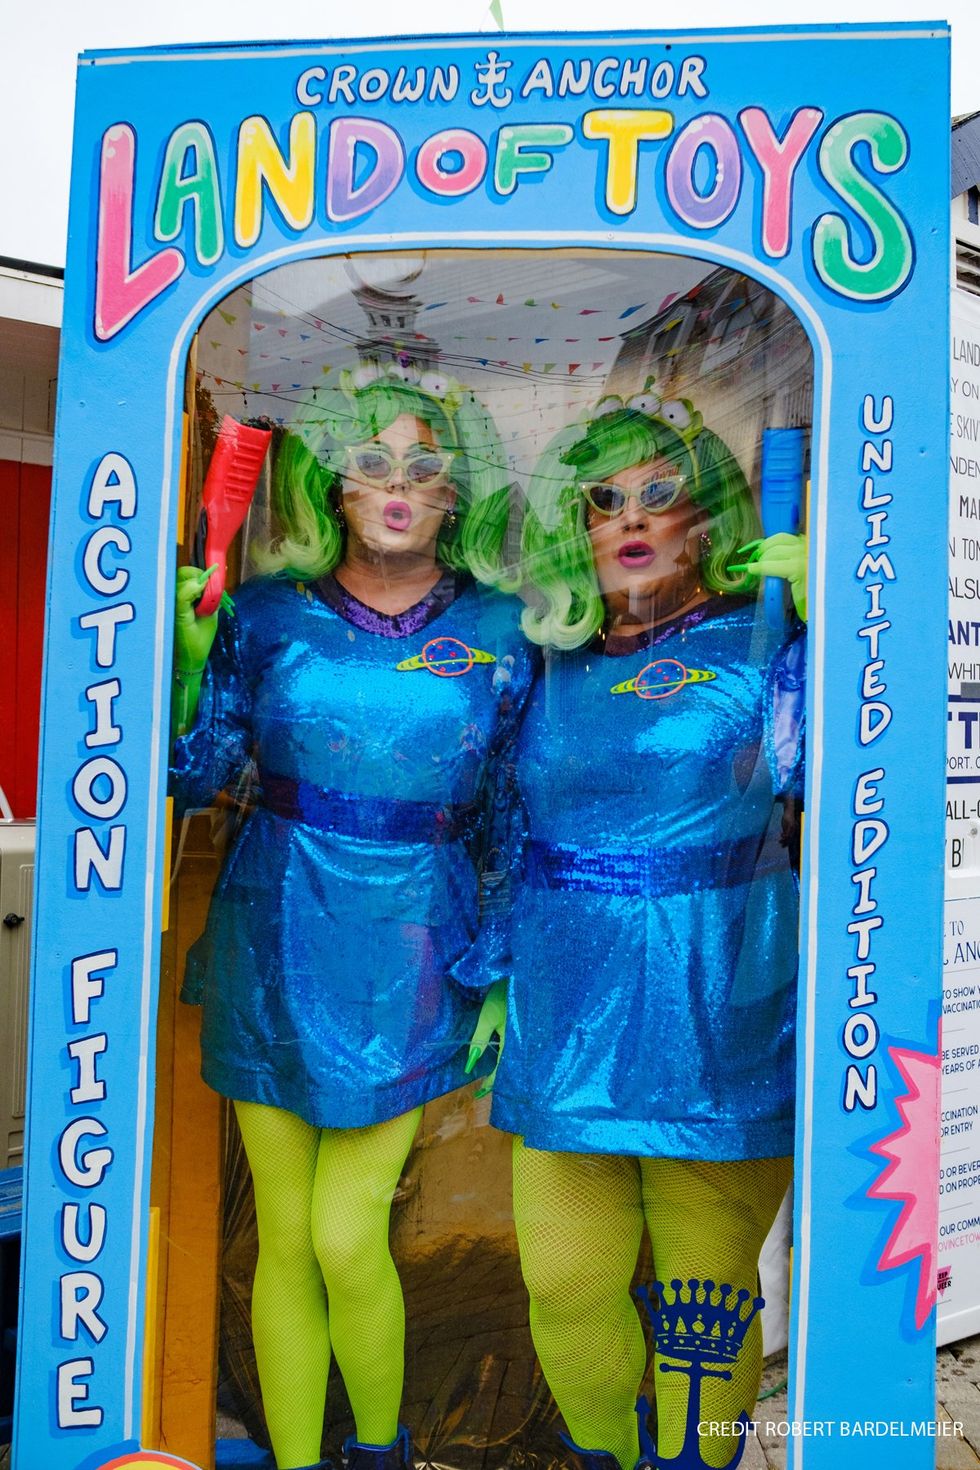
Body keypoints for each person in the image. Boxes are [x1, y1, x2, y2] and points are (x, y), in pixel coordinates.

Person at [170, 363, 530, 1470]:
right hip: (272, 932)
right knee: (286, 1238)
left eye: (424, 466)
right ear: (333, 484)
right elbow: (195, 777)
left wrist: (500, 968)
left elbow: (513, 816)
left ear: (457, 490)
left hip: (416, 947)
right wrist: (187, 667)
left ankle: (378, 1452)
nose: (397, 485)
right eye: (372, 462)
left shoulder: (506, 627)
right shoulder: (264, 614)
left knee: (344, 1229)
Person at [470, 385, 805, 1470]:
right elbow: (504, 830)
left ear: (701, 517)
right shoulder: (548, 660)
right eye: (603, 500)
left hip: (717, 1010)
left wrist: (842, 632)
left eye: (657, 495)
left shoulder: (767, 642)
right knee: (564, 1282)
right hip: (567, 1013)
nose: (629, 519)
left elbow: (848, 781)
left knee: (706, 1305)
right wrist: (495, 973)